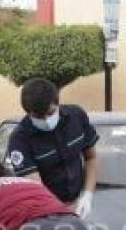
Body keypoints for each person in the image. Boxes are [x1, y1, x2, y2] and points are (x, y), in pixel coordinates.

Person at [7, 78, 99, 219]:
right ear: (28, 113)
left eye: (50, 113)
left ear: (57, 103)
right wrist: (61, 211)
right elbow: (36, 187)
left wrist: (87, 195)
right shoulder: (20, 140)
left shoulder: (76, 116)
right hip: (45, 210)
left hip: (79, 202)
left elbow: (91, 158)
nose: (46, 120)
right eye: (38, 116)